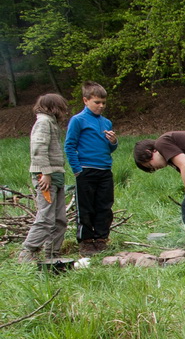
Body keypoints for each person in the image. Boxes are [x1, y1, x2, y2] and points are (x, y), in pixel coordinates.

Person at [64, 81, 118, 255]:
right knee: (86, 207)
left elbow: (109, 148)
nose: (101, 106)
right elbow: (69, 146)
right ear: (85, 100)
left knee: (104, 206)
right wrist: (77, 169)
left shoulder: (106, 122)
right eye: (97, 102)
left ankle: (101, 239)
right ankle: (86, 241)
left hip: (105, 170)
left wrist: (113, 142)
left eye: (104, 103)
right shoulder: (78, 120)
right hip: (85, 169)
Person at [18, 93, 71, 263]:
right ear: (53, 107)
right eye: (62, 107)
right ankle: (28, 252)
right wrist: (46, 173)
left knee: (60, 219)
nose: (64, 111)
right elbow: (38, 149)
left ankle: (52, 255)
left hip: (56, 175)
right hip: (45, 177)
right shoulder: (43, 122)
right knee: (46, 218)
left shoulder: (51, 122)